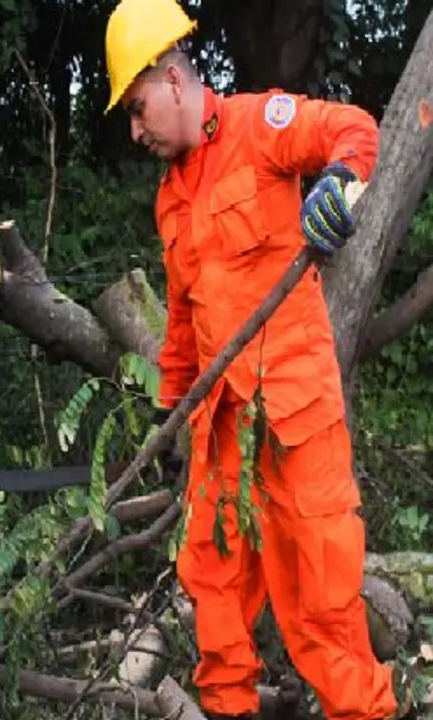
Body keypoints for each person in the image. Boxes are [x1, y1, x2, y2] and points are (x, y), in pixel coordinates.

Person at [103, 1, 417, 718]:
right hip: (220, 430)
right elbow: (182, 322)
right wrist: (168, 412)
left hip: (295, 420)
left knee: (323, 608)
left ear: (173, 79)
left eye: (138, 107)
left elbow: (353, 129)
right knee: (213, 598)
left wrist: (338, 183)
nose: (135, 129)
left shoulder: (258, 125)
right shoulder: (170, 200)